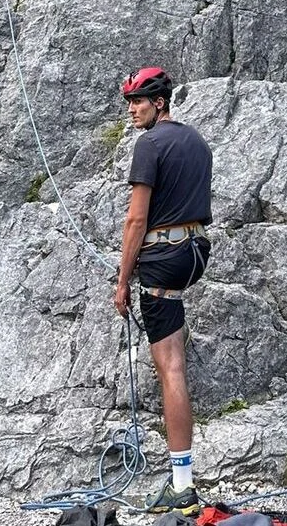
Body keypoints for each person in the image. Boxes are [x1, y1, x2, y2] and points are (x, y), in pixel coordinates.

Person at [114, 68, 212, 516]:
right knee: (173, 357)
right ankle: (182, 479)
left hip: (161, 260)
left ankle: (182, 485)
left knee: (170, 368)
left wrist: (121, 281)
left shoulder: (149, 144)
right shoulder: (196, 141)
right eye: (131, 101)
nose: (133, 109)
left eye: (140, 101)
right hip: (193, 252)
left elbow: (136, 220)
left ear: (160, 101)